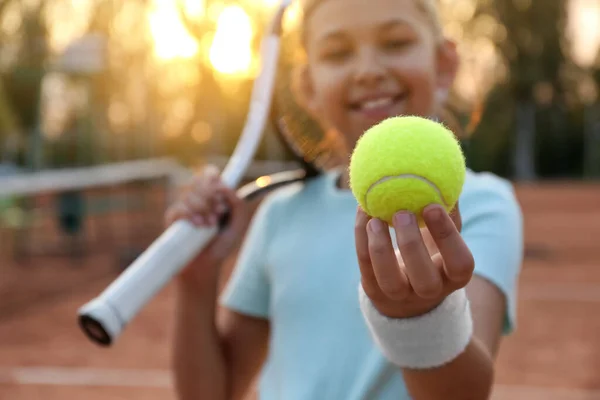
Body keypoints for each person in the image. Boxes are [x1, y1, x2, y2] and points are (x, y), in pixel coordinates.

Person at [165, 0, 524, 399]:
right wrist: (196, 281)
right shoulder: (279, 215)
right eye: (337, 53)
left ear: (443, 64)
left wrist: (421, 321)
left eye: (396, 42)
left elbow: (465, 394)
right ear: (308, 87)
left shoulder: (483, 204)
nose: (368, 70)